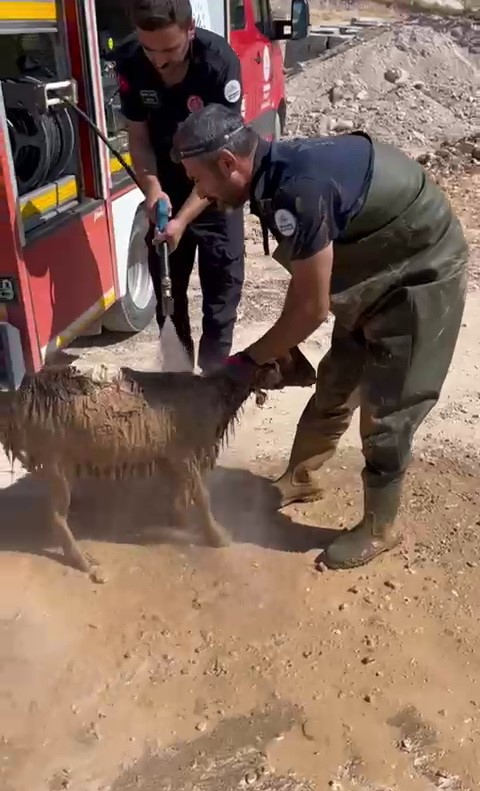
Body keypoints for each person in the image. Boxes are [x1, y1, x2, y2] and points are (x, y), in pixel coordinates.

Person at [171, 103, 468, 570]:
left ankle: (379, 527)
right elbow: (308, 282)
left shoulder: (298, 190)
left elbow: (311, 308)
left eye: (198, 179)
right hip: (371, 269)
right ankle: (302, 477)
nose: (199, 191)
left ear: (229, 162)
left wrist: (246, 363)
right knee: (335, 383)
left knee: (388, 410)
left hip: (418, 272)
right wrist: (181, 219)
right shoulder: (269, 173)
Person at [114, 0, 245, 372]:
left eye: (169, 50)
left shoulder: (218, 64)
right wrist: (153, 190)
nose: (158, 61)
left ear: (190, 31)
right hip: (166, 194)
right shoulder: (130, 61)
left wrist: (185, 219)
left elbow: (224, 159)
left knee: (221, 301)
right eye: (149, 49)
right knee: (170, 301)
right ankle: (179, 383)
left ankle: (212, 390)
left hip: (216, 192)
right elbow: (138, 138)